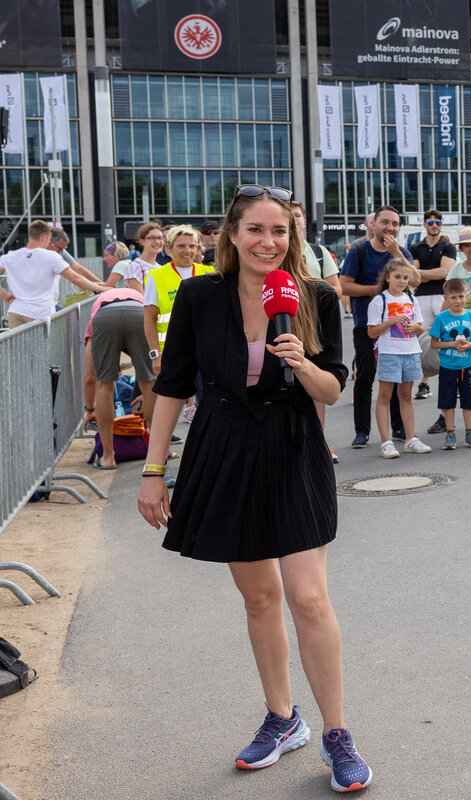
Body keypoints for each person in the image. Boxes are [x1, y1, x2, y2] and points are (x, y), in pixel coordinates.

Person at [135, 183, 372, 793]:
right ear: (232, 236)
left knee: (308, 598)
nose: (269, 242)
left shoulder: (315, 296)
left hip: (293, 447)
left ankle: (337, 733)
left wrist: (301, 361)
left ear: (293, 237)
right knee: (260, 598)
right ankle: (282, 717)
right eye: (256, 230)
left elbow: (333, 389)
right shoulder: (199, 296)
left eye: (280, 231)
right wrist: (154, 471)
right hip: (224, 449)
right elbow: (173, 386)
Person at [338, 205, 412, 449]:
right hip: (366, 325)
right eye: (385, 222)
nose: (390, 228)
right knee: (365, 378)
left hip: (397, 328)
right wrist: (378, 290)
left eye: (395, 223)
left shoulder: (401, 252)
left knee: (396, 378)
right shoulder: (359, 250)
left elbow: (416, 279)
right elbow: (344, 286)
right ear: (374, 224)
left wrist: (396, 253)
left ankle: (399, 427)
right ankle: (362, 432)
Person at [142, 225, 215, 434]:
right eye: (181, 246)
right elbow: (149, 319)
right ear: (169, 249)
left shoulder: (209, 273)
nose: (187, 251)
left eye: (192, 246)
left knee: (208, 402)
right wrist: (155, 355)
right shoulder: (157, 277)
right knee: (168, 404)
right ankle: (160, 447)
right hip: (172, 353)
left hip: (206, 351)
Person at [430, 227, 471, 434]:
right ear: (461, 248)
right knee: (450, 369)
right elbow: (447, 296)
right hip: (454, 322)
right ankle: (445, 416)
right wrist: (438, 322)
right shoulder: (456, 269)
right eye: (467, 246)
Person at [290, 202, 343, 462]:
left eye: (297, 215)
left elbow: (336, 290)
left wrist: (305, 283)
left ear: (303, 221)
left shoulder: (318, 252)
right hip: (283, 324)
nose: (293, 220)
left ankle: (318, 444)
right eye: (287, 215)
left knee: (317, 387)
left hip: (314, 327)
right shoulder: (272, 251)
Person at [84, 287, 156, 469]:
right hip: (139, 312)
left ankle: (108, 457)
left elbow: (90, 377)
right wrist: (147, 395)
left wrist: (90, 409)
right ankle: (159, 453)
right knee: (148, 381)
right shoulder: (138, 297)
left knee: (104, 384)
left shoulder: (96, 311)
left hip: (105, 317)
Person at [367, 260, 432, 458]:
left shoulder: (411, 299)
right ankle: (386, 443)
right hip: (389, 353)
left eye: (405, 277)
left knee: (406, 396)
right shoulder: (380, 300)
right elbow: (371, 332)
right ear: (387, 277)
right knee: (385, 397)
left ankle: (410, 439)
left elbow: (420, 327)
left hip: (410, 352)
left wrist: (415, 327)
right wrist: (391, 321)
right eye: (397, 277)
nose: (402, 281)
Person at [0, 220, 106, 327]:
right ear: (44, 238)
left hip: (16, 311)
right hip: (40, 312)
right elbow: (75, 278)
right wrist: (102, 288)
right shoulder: (52, 257)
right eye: (49, 239)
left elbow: (77, 270)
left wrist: (4, 295)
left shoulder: (10, 256)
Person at [429, 277, 471, 450]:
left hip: (468, 367)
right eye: (453, 297)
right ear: (446, 298)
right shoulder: (441, 318)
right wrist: (452, 344)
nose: (458, 301)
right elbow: (434, 344)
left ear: (467, 296)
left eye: (461, 296)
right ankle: (450, 434)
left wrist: (470, 345)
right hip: (448, 367)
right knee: (448, 401)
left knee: (469, 400)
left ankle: (470, 434)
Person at [410, 209, 458, 401]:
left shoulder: (448, 247)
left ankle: (452, 381)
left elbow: (445, 272)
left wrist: (421, 273)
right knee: (423, 340)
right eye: (430, 222)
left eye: (438, 222)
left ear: (442, 224)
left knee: (446, 337)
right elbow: (412, 276)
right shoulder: (416, 247)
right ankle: (424, 383)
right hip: (421, 297)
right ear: (424, 225)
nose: (434, 226)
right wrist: (429, 273)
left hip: (441, 296)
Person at [125, 223, 165, 293]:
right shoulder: (136, 267)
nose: (157, 242)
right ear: (142, 241)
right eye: (152, 238)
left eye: (160, 238)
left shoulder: (160, 268)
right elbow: (138, 297)